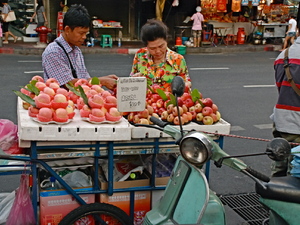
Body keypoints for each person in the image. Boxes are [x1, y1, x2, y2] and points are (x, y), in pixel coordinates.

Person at [42, 4, 117, 90]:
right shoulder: (54, 52)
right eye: (81, 33)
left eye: (86, 33)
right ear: (67, 30)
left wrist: (105, 78)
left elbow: (84, 80)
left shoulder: (76, 49)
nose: (84, 37)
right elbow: (68, 84)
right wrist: (102, 81)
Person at [130, 19, 191, 92]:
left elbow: (186, 83)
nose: (158, 51)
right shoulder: (140, 55)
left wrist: (185, 85)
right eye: (152, 48)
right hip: (146, 101)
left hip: (169, 101)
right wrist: (134, 80)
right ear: (146, 46)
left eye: (161, 46)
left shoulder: (178, 59)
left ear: (166, 41)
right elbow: (131, 83)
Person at [270, 35, 300, 177]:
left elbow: (281, 89)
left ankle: (273, 196)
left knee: (278, 170)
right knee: (295, 175)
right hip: (297, 124)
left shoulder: (283, 56)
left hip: (281, 121)